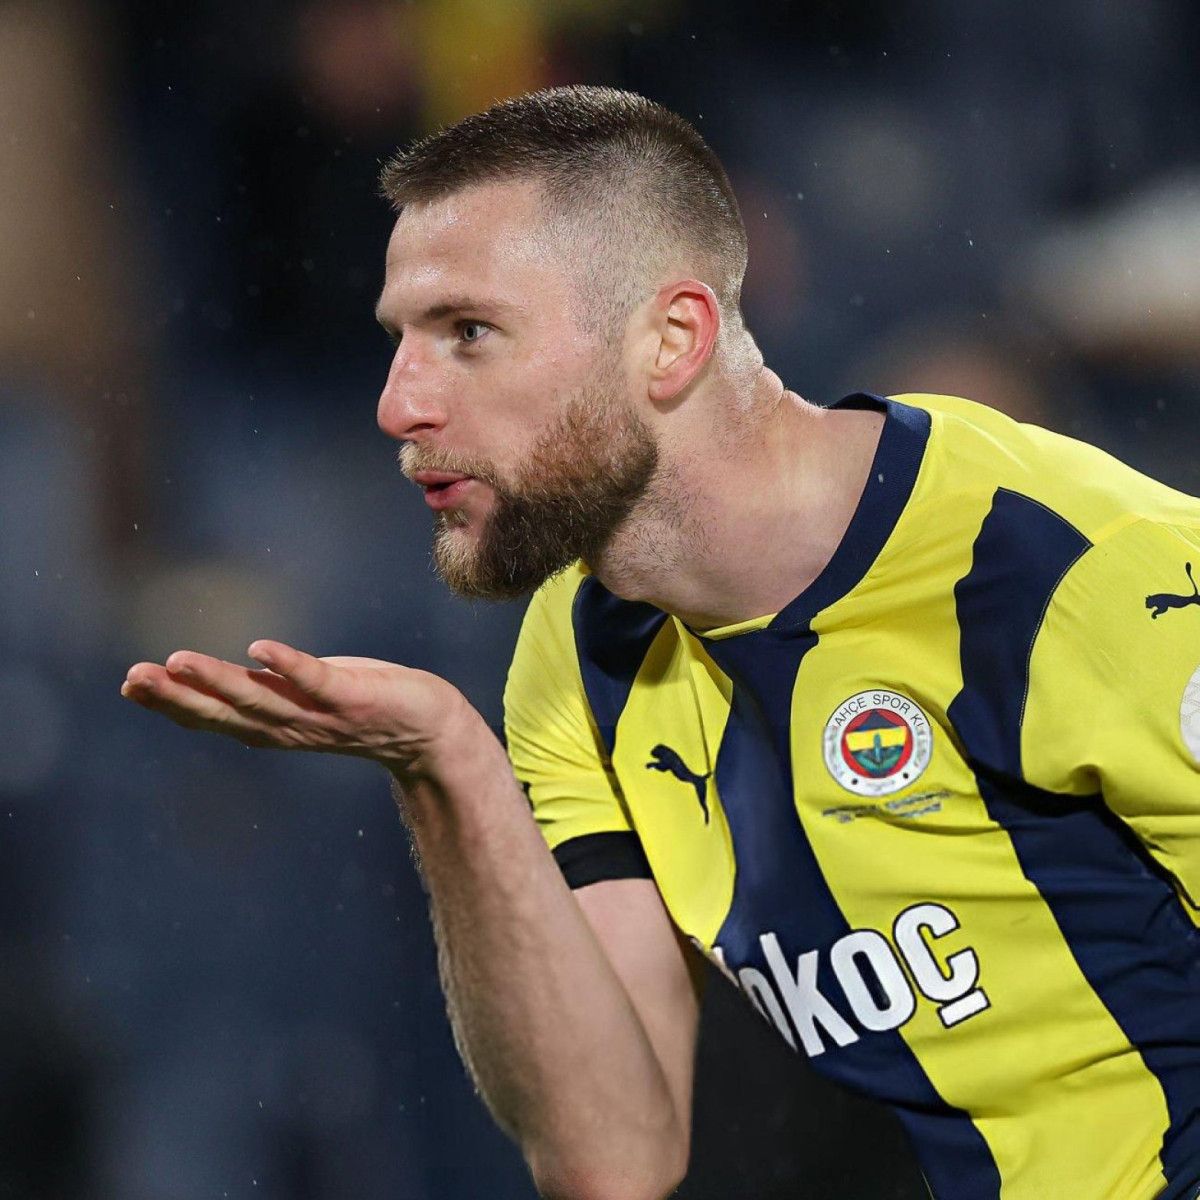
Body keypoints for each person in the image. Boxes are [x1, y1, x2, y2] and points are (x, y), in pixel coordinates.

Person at [121, 86, 1200, 1200]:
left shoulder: (1076, 572)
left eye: (468, 333)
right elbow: (611, 1155)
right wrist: (447, 769)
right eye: (399, 340)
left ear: (672, 338)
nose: (399, 406)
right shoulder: (579, 650)